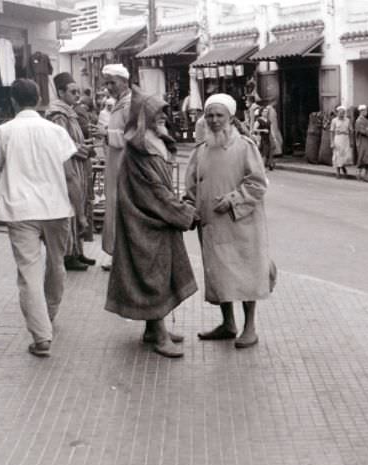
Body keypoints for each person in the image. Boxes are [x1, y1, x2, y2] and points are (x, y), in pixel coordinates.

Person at [0, 78, 78, 357]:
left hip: (20, 210)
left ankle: (41, 335)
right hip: (57, 208)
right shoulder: (56, 131)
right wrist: (81, 213)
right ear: (39, 99)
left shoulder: (3, 132)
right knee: (57, 264)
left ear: (12, 101)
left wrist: (7, 183)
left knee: (29, 272)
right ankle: (48, 313)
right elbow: (71, 175)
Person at [105, 87, 197, 358]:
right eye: (157, 113)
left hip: (156, 220)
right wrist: (185, 214)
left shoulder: (153, 141)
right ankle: (159, 334)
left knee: (160, 273)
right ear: (144, 115)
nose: (163, 117)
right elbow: (154, 192)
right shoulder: (139, 149)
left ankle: (152, 329)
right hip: (144, 222)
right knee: (152, 276)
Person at [185, 93, 271, 349]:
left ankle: (249, 328)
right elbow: (191, 185)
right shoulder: (200, 150)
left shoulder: (245, 146)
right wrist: (190, 207)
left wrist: (233, 199)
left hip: (241, 224)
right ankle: (228, 324)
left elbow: (258, 183)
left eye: (219, 115)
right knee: (220, 275)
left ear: (230, 118)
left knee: (245, 273)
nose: (213, 120)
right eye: (209, 115)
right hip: (211, 225)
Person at [47, 72, 95, 271]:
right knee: (71, 208)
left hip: (79, 166)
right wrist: (79, 148)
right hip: (69, 167)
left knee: (81, 206)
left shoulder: (71, 112)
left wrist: (84, 145)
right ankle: (69, 254)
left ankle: (78, 251)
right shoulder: (58, 114)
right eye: (72, 91)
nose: (77, 95)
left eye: (77, 91)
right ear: (60, 92)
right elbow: (60, 142)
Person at [92, 64, 132, 270]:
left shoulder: (130, 105)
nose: (109, 87)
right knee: (114, 208)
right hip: (115, 165)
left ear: (124, 82)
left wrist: (107, 135)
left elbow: (132, 136)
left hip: (126, 166)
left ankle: (122, 257)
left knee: (122, 209)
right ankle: (116, 253)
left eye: (112, 82)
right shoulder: (118, 104)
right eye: (106, 83)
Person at [354, 104, 368, 182]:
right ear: (361, 111)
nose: (366, 112)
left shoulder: (367, 120)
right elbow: (362, 131)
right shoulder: (358, 121)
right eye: (365, 111)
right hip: (362, 141)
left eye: (366, 110)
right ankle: (359, 173)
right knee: (363, 156)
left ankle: (366, 175)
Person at [330, 106, 352, 179]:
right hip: (338, 138)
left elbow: (351, 131)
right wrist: (332, 142)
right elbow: (331, 132)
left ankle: (343, 168)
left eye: (343, 113)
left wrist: (351, 141)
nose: (341, 114)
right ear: (337, 113)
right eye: (340, 113)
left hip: (345, 138)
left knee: (345, 155)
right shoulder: (334, 121)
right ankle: (338, 172)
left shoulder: (348, 120)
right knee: (337, 155)